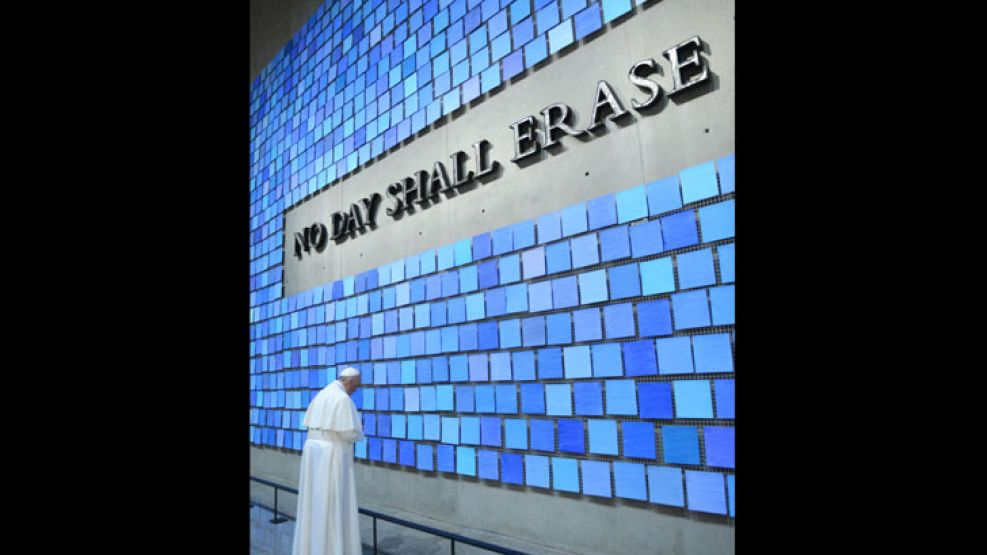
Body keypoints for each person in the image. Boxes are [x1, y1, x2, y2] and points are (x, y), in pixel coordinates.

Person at [291, 367, 365, 555]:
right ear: (349, 381)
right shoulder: (342, 399)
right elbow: (349, 432)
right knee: (332, 503)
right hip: (331, 454)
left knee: (315, 502)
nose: (357, 388)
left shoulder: (322, 394)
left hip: (314, 453)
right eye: (357, 384)